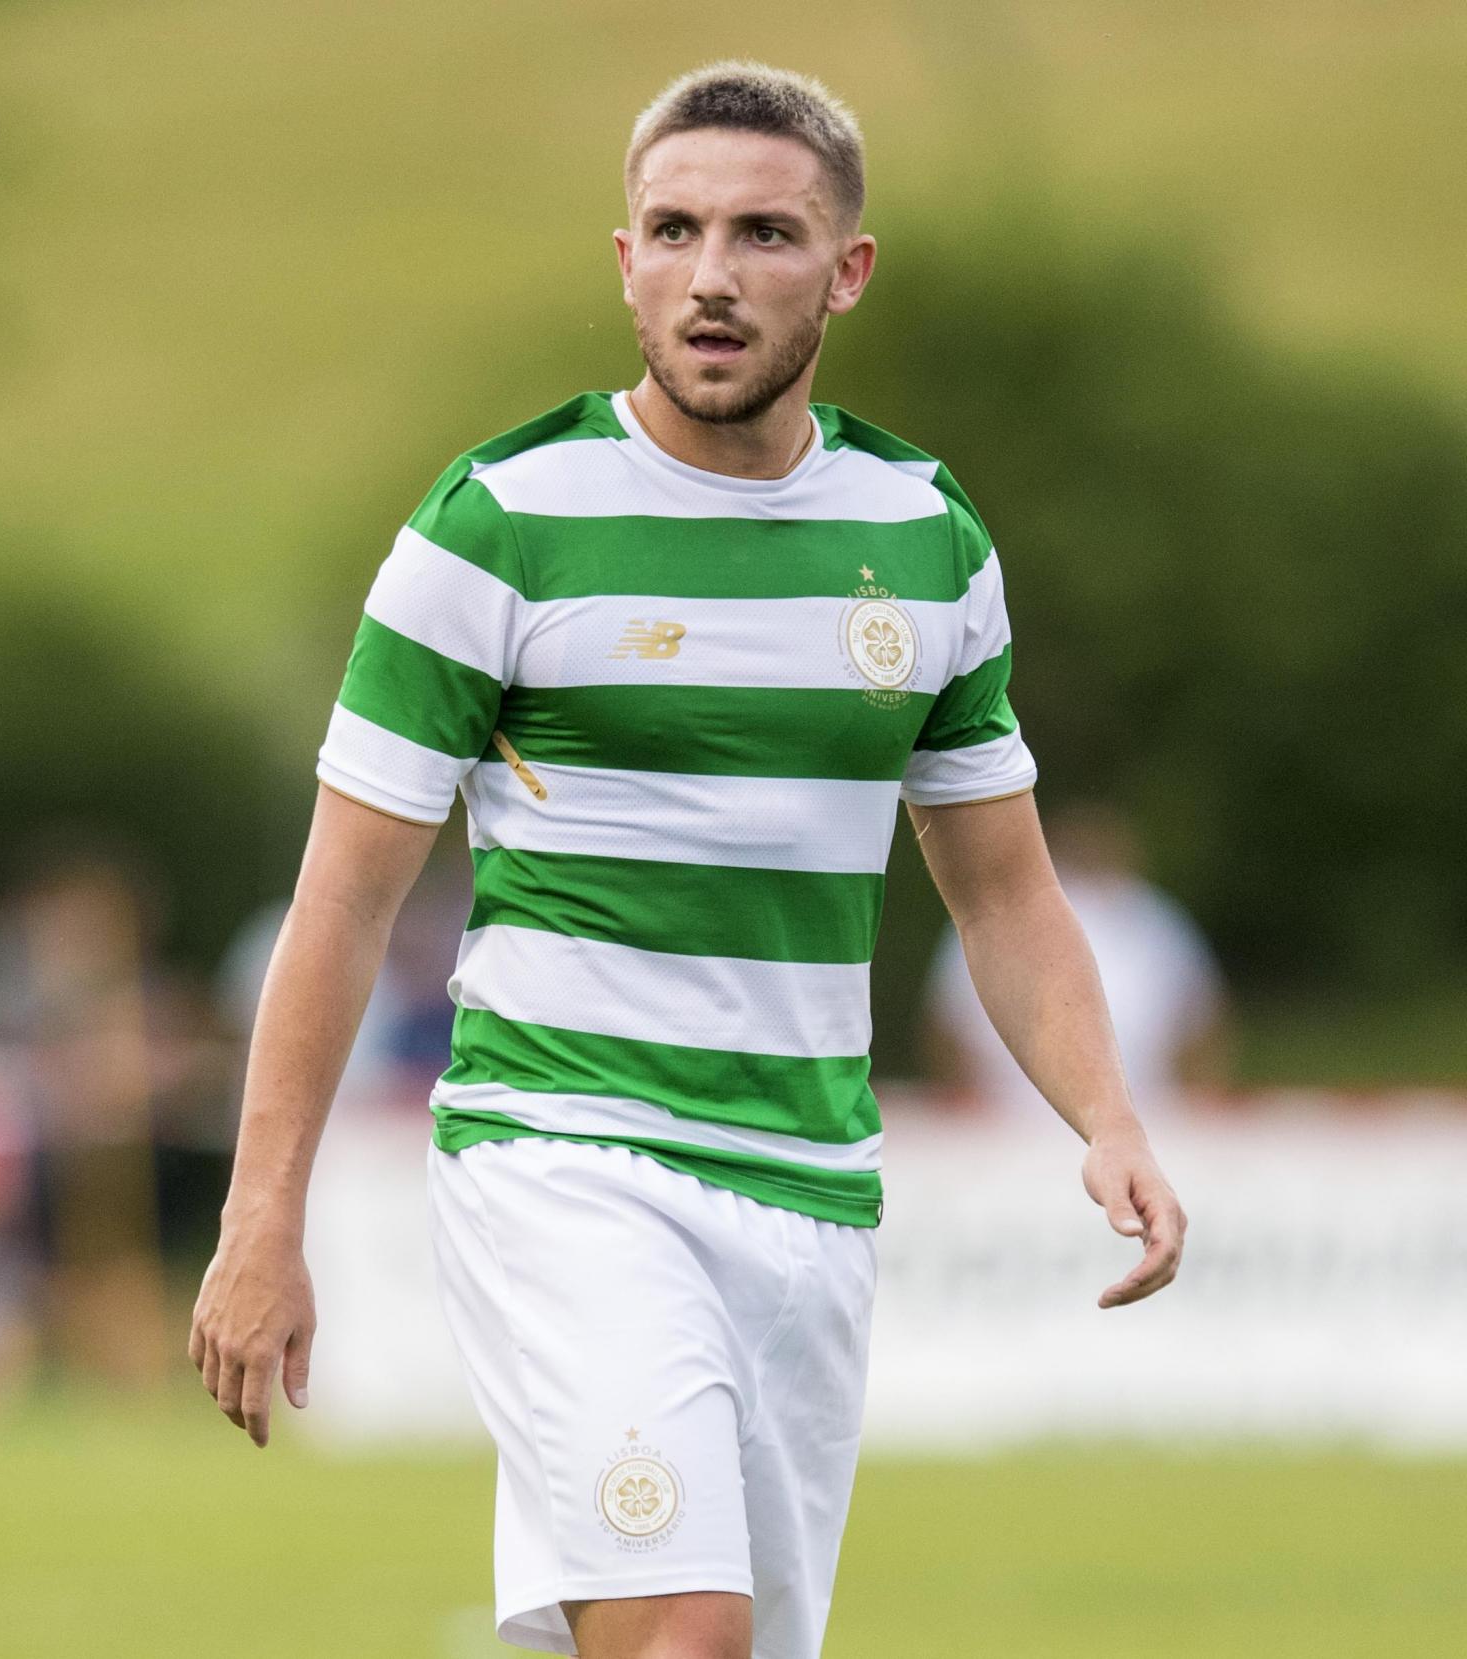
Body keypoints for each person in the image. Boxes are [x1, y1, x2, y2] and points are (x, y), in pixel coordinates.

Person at [187, 63, 1187, 1659]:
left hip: (810, 1191)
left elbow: (1002, 889)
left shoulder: (926, 536)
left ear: (847, 271)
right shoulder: (497, 524)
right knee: (687, 1631)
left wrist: (1108, 1113)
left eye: (763, 233)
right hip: (563, 1152)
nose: (712, 273)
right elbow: (342, 904)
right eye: (674, 229)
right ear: (626, 258)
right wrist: (261, 1221)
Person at [923, 801, 1230, 1119]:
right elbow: (948, 1025)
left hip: (1143, 1111)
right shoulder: (1001, 913)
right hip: (1011, 1117)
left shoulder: (1152, 917)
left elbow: (1199, 1020)